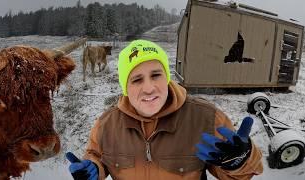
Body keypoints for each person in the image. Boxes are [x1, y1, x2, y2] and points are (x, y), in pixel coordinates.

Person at [66, 39, 263, 180]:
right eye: (136, 79)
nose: (149, 88)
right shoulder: (106, 124)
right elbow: (97, 156)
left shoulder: (206, 118)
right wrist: (93, 168)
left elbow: (240, 176)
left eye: (156, 75)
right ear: (125, 88)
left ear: (167, 77)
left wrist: (240, 161)